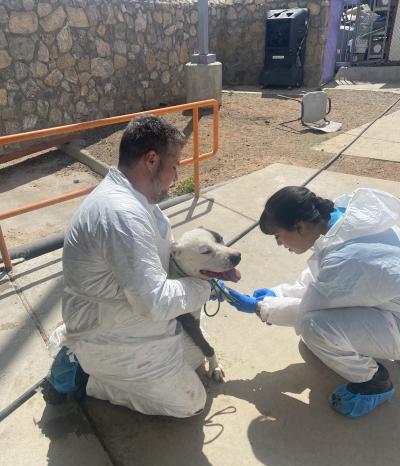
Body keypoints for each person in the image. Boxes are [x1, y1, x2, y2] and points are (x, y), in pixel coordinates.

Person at [46, 115, 213, 418]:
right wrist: (204, 287)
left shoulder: (134, 198)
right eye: (174, 166)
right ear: (151, 160)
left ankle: (90, 363)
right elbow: (154, 302)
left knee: (197, 353)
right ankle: (87, 377)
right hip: (109, 332)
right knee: (192, 401)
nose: (176, 177)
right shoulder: (121, 214)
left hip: (124, 315)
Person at [226, 186, 400, 418]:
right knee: (316, 332)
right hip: (389, 302)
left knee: (314, 328)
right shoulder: (340, 223)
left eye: (278, 236)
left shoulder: (346, 259)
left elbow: (310, 310)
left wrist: (260, 307)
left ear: (299, 226)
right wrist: (277, 295)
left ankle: (374, 383)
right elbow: (322, 281)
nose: (279, 244)